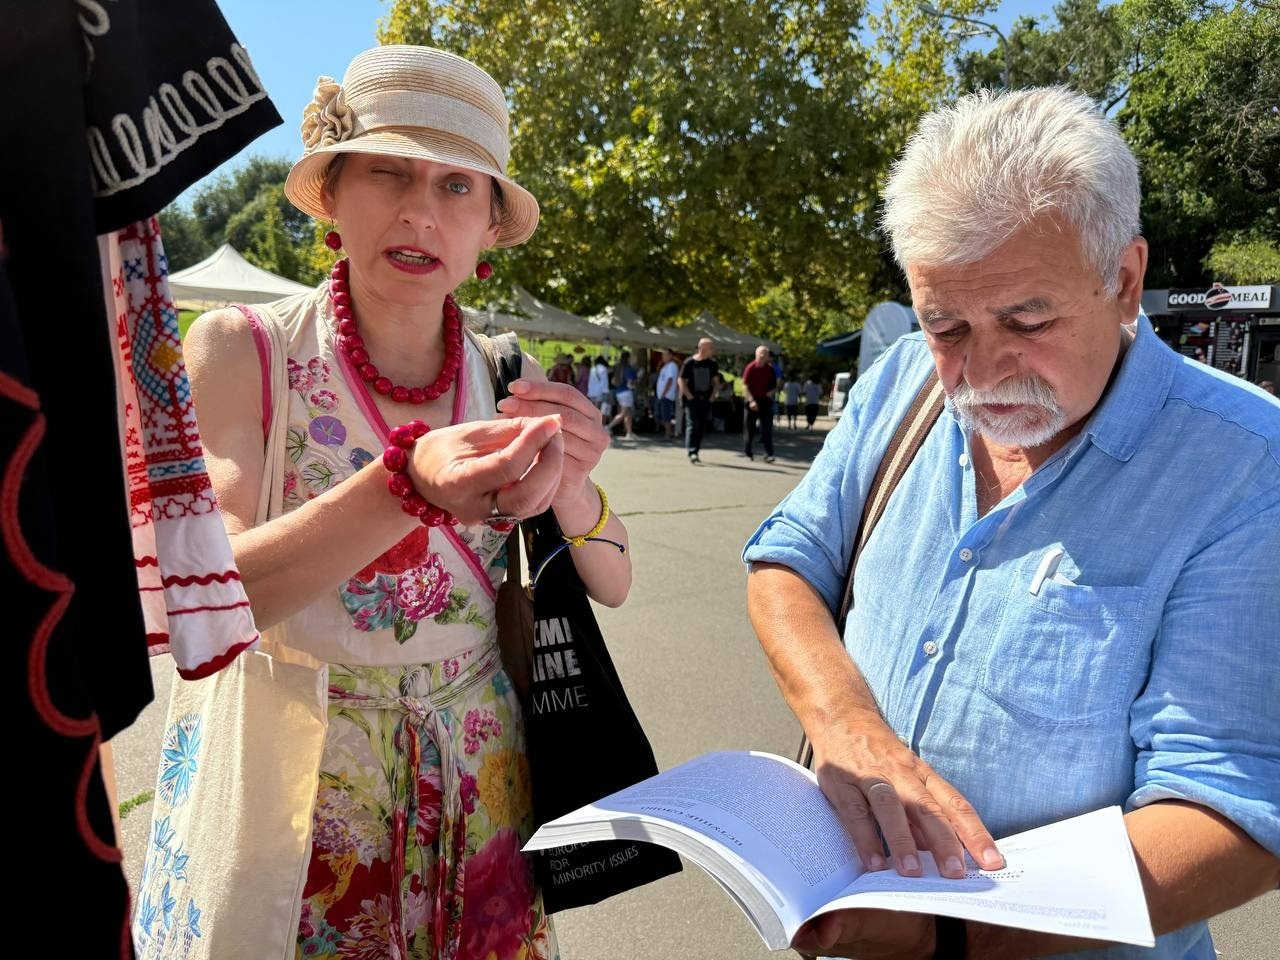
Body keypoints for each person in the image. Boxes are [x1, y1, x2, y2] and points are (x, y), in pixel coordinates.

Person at [743, 87, 1278, 960]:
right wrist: (847, 725)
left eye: (1027, 321)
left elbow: (1234, 813)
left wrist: (944, 935)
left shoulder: (1247, 469)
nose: (982, 371)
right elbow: (786, 562)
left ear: (1126, 282)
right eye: (946, 323)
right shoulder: (904, 382)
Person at [173, 45, 631, 957]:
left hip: (483, 786)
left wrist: (576, 486)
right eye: (388, 171)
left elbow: (612, 580)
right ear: (332, 194)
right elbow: (208, 602)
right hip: (299, 799)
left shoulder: (508, 373)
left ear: (491, 228)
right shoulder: (243, 351)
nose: (422, 208)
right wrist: (406, 485)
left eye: (459, 186)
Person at [679, 337, 721, 463]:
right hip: (692, 398)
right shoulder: (689, 363)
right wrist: (688, 395)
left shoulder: (712, 364)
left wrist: (713, 395)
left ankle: (696, 449)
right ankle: (692, 451)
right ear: (702, 349)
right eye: (710, 348)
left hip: (705, 399)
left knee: (701, 425)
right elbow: (681, 380)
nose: (712, 350)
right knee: (693, 424)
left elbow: (716, 381)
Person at [741, 344, 777, 462]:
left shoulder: (770, 369)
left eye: (765, 354)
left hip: (765, 401)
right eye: (761, 354)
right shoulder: (750, 367)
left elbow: (774, 385)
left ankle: (769, 453)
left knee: (767, 428)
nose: (763, 356)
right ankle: (748, 451)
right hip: (752, 400)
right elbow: (744, 386)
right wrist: (751, 401)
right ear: (756, 355)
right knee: (749, 428)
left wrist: (771, 392)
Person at [607, 348, 637, 439]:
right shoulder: (628, 369)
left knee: (628, 414)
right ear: (628, 358)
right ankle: (608, 427)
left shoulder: (618, 368)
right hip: (626, 392)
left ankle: (629, 432)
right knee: (623, 414)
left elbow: (613, 381)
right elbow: (631, 382)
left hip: (619, 392)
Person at [654, 348, 680, 440]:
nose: (663, 357)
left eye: (665, 355)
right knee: (660, 415)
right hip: (662, 395)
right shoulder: (665, 366)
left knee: (666, 415)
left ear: (671, 356)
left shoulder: (672, 366)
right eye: (663, 355)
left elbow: (670, 380)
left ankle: (668, 434)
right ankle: (669, 431)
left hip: (667, 395)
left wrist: (664, 392)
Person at [587, 353, 611, 420]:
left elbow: (590, 381)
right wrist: (606, 392)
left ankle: (591, 422)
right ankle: (595, 423)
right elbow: (605, 382)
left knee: (592, 409)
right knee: (597, 410)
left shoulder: (592, 369)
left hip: (591, 392)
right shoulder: (603, 369)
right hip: (599, 392)